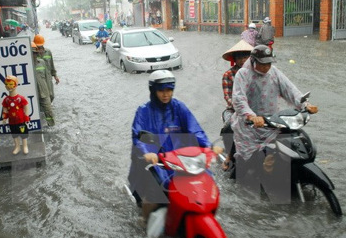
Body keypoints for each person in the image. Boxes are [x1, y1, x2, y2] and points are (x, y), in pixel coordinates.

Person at [128, 70, 214, 221]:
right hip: (156, 161)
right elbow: (139, 137)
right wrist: (147, 152)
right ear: (153, 91)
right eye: (161, 90)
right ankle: (145, 222)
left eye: (169, 90)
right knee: (155, 196)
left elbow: (195, 130)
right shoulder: (144, 111)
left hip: (179, 159)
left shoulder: (179, 107)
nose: (165, 94)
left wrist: (207, 146)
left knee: (205, 183)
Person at [230, 45, 318, 179]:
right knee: (245, 161)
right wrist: (252, 116)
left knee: (288, 145)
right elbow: (238, 99)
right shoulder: (243, 74)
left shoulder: (274, 72)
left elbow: (290, 90)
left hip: (271, 122)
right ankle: (238, 180)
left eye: (268, 63)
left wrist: (305, 104)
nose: (266, 67)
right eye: (262, 64)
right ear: (253, 61)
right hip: (249, 125)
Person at [220, 40, 253, 171]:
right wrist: (243, 108)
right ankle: (229, 157)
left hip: (255, 109)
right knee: (230, 128)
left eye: (246, 57)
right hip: (234, 110)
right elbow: (228, 97)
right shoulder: (228, 75)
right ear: (235, 59)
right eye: (240, 57)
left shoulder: (256, 73)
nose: (243, 60)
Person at [2, 75, 30, 155]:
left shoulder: (21, 98)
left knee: (23, 134)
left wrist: (27, 117)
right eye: (7, 84)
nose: (9, 86)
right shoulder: (6, 100)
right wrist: (4, 118)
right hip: (12, 121)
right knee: (14, 134)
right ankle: (17, 146)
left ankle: (25, 146)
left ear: (15, 85)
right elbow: (5, 109)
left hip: (21, 120)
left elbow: (26, 108)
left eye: (11, 84)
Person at [31, 42, 55, 126]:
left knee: (49, 111)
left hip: (44, 92)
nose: (33, 55)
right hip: (33, 95)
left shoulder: (41, 62)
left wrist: (50, 92)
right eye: (32, 53)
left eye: (35, 53)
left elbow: (47, 78)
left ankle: (51, 125)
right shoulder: (26, 66)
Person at [34, 34, 60, 103]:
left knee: (51, 95)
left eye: (40, 46)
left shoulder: (48, 52)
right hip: (40, 78)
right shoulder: (33, 54)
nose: (39, 47)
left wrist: (55, 76)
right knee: (44, 97)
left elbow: (51, 64)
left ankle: (47, 107)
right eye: (37, 46)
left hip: (48, 77)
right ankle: (45, 109)